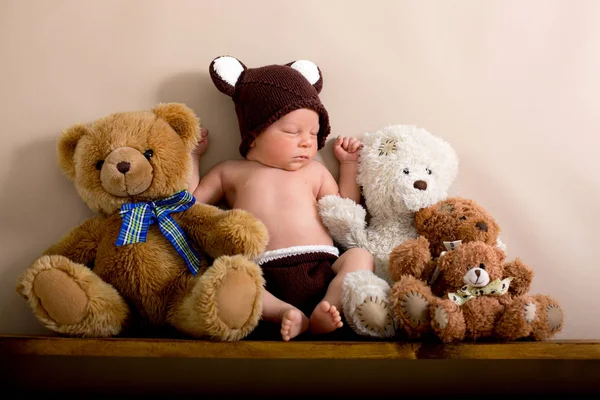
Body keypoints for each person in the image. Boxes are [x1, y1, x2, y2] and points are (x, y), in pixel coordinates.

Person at [188, 56, 374, 341]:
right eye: (292, 131)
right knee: (229, 276)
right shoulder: (230, 172)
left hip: (321, 266)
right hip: (261, 272)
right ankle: (285, 313)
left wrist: (348, 165)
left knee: (360, 256)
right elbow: (190, 207)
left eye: (313, 133)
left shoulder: (315, 171)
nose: (306, 141)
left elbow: (346, 213)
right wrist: (192, 157)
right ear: (253, 135)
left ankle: (330, 306)